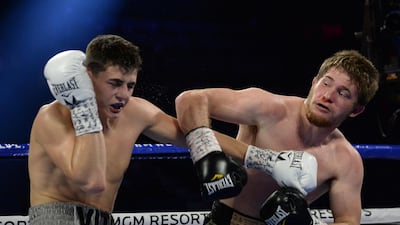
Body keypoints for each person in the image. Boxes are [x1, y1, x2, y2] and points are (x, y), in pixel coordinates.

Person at [28, 34, 314, 225]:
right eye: (114, 84)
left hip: (104, 218)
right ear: (87, 76)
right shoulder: (52, 117)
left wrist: (265, 159)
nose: (123, 95)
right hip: (55, 217)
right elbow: (91, 181)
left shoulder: (135, 111)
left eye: (130, 85)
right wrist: (84, 105)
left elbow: (195, 136)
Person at [175, 49, 380, 225]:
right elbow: (191, 100)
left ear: (356, 111)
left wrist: (309, 223)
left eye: (343, 93)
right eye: (326, 84)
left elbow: (348, 220)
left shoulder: (346, 160)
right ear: (314, 82)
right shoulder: (270, 109)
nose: (328, 96)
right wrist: (206, 153)